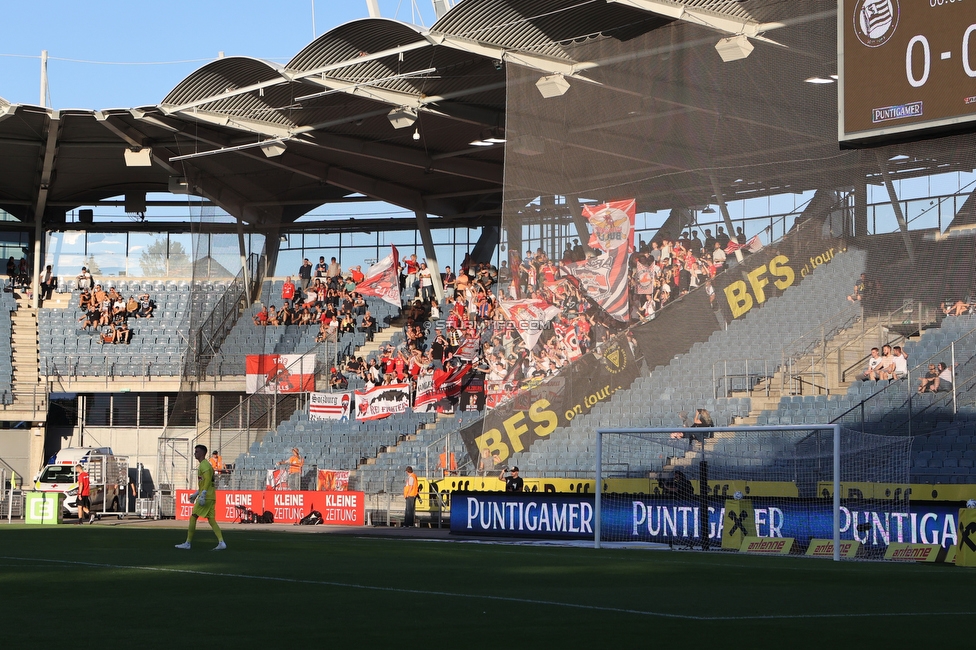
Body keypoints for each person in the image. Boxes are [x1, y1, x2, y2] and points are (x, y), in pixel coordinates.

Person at [175, 444, 226, 550]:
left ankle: (188, 543)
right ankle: (221, 542)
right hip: (211, 496)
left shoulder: (204, 465)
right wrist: (196, 493)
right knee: (211, 520)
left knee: (193, 516)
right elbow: (204, 483)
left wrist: (203, 494)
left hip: (206, 497)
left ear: (202, 453)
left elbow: (207, 480)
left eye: (197, 451)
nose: (195, 453)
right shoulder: (205, 465)